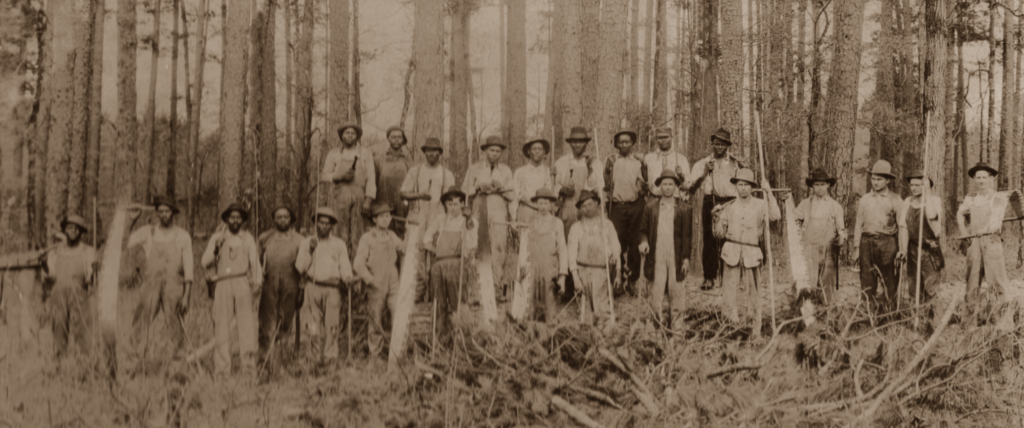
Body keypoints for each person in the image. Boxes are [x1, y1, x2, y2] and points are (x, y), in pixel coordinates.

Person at [712, 169, 781, 340]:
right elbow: (719, 234)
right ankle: (729, 330)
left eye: (746, 185)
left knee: (753, 295)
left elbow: (775, 216)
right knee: (729, 294)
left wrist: (769, 192)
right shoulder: (729, 207)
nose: (742, 188)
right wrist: (716, 219)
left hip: (751, 253)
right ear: (736, 186)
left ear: (752, 187)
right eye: (740, 185)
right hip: (731, 252)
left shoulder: (760, 204)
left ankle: (754, 332)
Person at [125, 196, 195, 361]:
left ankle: (178, 365)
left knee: (176, 324)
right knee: (141, 321)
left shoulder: (183, 236)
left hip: (174, 286)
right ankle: (133, 361)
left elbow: (189, 268)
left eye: (167, 211)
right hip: (150, 285)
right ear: (157, 213)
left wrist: (186, 296)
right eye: (161, 211)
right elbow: (127, 243)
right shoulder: (148, 232)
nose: (164, 215)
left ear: (173, 213)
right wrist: (131, 221)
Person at [201, 204, 262, 377]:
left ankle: (249, 370)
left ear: (242, 220)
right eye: (232, 217)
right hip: (222, 284)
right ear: (226, 219)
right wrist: (216, 249)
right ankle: (222, 370)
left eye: (238, 217)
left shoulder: (247, 238)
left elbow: (255, 262)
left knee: (246, 326)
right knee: (221, 326)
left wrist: (257, 283)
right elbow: (205, 262)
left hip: (242, 282)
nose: (235, 220)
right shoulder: (217, 238)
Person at [295, 207, 355, 362]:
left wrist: (347, 277)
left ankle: (330, 356)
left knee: (332, 325)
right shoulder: (307, 242)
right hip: (312, 287)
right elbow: (300, 267)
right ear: (315, 224)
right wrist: (310, 250)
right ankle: (312, 356)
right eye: (320, 223)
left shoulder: (339, 244)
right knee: (312, 326)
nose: (324, 227)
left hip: (333, 289)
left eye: (327, 224)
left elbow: (344, 264)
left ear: (332, 226)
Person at [400, 137, 457, 300]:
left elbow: (452, 197)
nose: (432, 153)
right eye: (429, 150)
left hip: (438, 215)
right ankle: (418, 291)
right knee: (416, 253)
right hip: (418, 213)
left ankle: (436, 291)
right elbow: (403, 192)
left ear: (440, 153)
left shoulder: (447, 174)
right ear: (424, 152)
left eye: (435, 151)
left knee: (437, 253)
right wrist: (418, 195)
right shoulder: (415, 171)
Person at [690, 128, 746, 290]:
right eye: (716, 144)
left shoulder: (735, 163)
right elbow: (692, 187)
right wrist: (705, 172)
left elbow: (746, 181)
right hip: (711, 201)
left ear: (727, 145)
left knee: (731, 239)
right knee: (710, 239)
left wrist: (744, 166)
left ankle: (732, 277)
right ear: (712, 144)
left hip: (730, 202)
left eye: (723, 144)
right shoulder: (703, 163)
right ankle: (709, 277)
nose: (719, 147)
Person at [957, 162, 1011, 328]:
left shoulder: (999, 198)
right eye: (978, 177)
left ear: (991, 179)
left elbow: (995, 222)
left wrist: (984, 230)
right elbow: (960, 214)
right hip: (974, 244)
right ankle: (968, 324)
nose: (981, 181)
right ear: (974, 179)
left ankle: (1002, 324)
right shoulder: (970, 198)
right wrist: (965, 233)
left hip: (992, 243)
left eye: (984, 177)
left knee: (997, 283)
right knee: (972, 283)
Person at [638, 170, 692, 331]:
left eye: (670, 184)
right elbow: (643, 231)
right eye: (664, 184)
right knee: (656, 291)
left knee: (676, 291)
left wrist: (686, 258)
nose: (667, 188)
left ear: (676, 187)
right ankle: (654, 326)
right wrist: (644, 242)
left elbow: (687, 236)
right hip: (657, 254)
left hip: (676, 254)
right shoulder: (650, 208)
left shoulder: (684, 209)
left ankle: (677, 328)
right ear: (659, 186)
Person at [422, 186, 477, 343]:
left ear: (462, 204)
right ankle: (439, 339)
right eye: (450, 204)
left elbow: (473, 244)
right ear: (445, 205)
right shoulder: (440, 219)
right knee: (438, 302)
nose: (453, 208)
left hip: (457, 264)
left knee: (458, 302)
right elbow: (426, 239)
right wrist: (436, 251)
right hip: (438, 265)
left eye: (456, 203)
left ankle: (463, 339)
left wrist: (469, 222)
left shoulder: (469, 221)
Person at [462, 136, 514, 296]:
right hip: (479, 210)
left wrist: (501, 188)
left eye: (498, 151)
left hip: (499, 211)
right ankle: (478, 287)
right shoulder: (474, 169)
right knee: (478, 246)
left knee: (499, 247)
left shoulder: (505, 170)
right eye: (492, 150)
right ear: (485, 151)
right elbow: (465, 192)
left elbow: (512, 195)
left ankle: (497, 286)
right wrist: (477, 187)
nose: (495, 154)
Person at [354, 202, 405, 359]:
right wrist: (370, 280)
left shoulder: (392, 236)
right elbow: (358, 264)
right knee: (375, 319)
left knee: (399, 315)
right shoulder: (368, 238)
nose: (386, 219)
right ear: (374, 220)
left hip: (394, 282)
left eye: (388, 216)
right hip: (376, 283)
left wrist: (411, 235)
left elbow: (404, 248)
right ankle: (375, 354)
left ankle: (398, 353)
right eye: (382, 217)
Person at [852, 160, 902, 317]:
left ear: (887, 180)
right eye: (873, 179)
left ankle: (890, 316)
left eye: (879, 179)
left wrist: (901, 250)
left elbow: (901, 227)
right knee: (867, 282)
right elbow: (858, 223)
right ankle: (867, 316)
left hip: (888, 243)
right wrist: (856, 248)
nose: (875, 182)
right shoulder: (865, 199)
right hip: (867, 243)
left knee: (890, 282)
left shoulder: (896, 200)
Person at [43, 214, 96, 358]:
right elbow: (51, 275)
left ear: (80, 232)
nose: (72, 231)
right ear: (65, 230)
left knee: (82, 325)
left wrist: (95, 271)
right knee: (59, 325)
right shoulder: (55, 251)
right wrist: (43, 264)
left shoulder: (88, 251)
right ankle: (60, 360)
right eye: (69, 228)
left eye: (76, 229)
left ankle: (85, 360)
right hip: (58, 292)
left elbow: (90, 277)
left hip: (79, 292)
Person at [321, 123, 377, 258]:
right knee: (339, 230)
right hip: (340, 195)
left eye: (353, 133)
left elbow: (371, 178)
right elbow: (324, 175)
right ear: (342, 136)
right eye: (347, 133)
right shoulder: (334, 153)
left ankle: (357, 267)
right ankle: (338, 265)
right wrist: (339, 176)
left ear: (357, 136)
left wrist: (368, 200)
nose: (350, 135)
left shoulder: (365, 153)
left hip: (360, 195)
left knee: (359, 232)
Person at [567, 190, 620, 331]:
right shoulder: (576, 228)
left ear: (597, 204)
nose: (587, 208)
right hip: (582, 270)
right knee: (584, 309)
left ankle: (604, 336)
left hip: (602, 271)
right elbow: (571, 254)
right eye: (583, 206)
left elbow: (616, 249)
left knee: (602, 308)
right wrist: (575, 277)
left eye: (590, 204)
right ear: (580, 208)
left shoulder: (607, 225)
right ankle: (587, 336)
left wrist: (619, 271)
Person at [897, 171, 944, 329]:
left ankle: (934, 325)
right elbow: (903, 227)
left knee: (931, 289)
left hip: (930, 250)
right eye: (912, 185)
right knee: (914, 289)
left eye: (918, 185)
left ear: (926, 186)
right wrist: (903, 249)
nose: (914, 188)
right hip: (913, 250)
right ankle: (917, 323)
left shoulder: (934, 201)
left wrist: (928, 193)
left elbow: (932, 216)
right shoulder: (907, 202)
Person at [793, 168, 847, 305]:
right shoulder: (805, 205)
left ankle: (827, 316)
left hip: (828, 250)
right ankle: (806, 315)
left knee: (827, 284)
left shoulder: (836, 207)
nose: (820, 188)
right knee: (807, 283)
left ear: (828, 185)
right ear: (812, 186)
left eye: (823, 184)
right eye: (816, 185)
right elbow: (794, 222)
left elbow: (842, 230)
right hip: (809, 250)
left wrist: (841, 238)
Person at [603, 129, 647, 291]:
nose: (624, 144)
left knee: (635, 242)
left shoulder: (637, 161)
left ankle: (633, 279)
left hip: (635, 205)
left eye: (627, 141)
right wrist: (608, 169)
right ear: (616, 144)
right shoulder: (611, 160)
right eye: (620, 142)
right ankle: (618, 277)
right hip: (617, 206)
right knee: (617, 242)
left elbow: (644, 184)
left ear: (632, 143)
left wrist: (644, 165)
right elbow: (606, 184)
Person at [257, 206, 303, 354]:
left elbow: (306, 262)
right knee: (267, 317)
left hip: (292, 282)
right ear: (274, 219)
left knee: (287, 316)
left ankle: (281, 349)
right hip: (270, 281)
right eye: (279, 217)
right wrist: (259, 278)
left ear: (291, 219)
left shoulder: (299, 239)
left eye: (286, 217)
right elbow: (256, 261)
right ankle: (265, 351)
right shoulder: (265, 237)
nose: (282, 220)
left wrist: (301, 284)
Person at [523, 188, 567, 323]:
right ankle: (531, 331)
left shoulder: (557, 223)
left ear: (551, 205)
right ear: (536, 204)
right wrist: (523, 267)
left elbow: (562, 249)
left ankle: (550, 330)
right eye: (540, 203)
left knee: (550, 303)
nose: (543, 207)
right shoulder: (529, 222)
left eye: (546, 203)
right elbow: (524, 247)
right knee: (530, 302)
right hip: (532, 267)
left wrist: (562, 276)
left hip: (550, 268)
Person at [554, 126, 605, 239]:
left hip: (588, 210)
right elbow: (554, 186)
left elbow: (598, 187)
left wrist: (589, 167)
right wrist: (562, 190)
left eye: (581, 142)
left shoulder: (595, 163)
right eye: (574, 142)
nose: (577, 145)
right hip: (567, 209)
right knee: (567, 241)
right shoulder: (561, 162)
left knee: (587, 241)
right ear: (570, 143)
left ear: (586, 144)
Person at [373, 126, 414, 238]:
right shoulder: (379, 158)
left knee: (401, 227)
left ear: (403, 139)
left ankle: (399, 254)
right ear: (388, 139)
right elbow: (373, 181)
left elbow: (413, 181)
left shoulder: (408, 159)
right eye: (393, 137)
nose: (396, 139)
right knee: (384, 227)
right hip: (383, 199)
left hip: (402, 201)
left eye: (399, 137)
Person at [512, 139, 554, 225]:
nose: (537, 151)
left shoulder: (549, 172)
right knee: (525, 236)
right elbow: (515, 197)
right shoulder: (520, 172)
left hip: (543, 212)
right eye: (534, 149)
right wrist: (513, 218)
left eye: (540, 149)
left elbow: (551, 194)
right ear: (528, 151)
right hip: (525, 211)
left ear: (544, 152)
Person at [643, 127, 691, 201]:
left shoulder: (681, 159)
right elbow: (644, 183)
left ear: (671, 137)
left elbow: (687, 186)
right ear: (656, 139)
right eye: (660, 137)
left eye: (666, 137)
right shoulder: (648, 158)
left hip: (674, 200)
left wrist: (681, 175)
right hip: (654, 199)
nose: (663, 140)